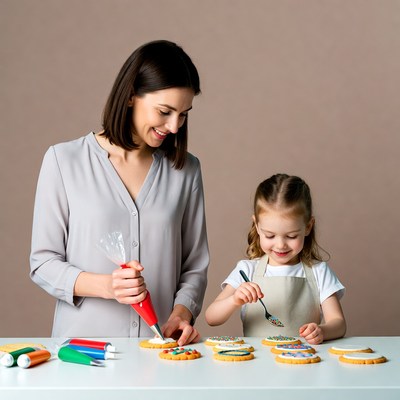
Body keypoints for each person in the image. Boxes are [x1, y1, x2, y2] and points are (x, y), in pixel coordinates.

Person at [30, 40, 209, 346]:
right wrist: (107, 287)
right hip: (83, 353)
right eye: (165, 111)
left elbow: (194, 266)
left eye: (184, 114)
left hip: (159, 354)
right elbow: (43, 263)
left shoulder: (186, 170)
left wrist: (181, 314)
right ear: (130, 97)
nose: (175, 126)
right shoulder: (64, 160)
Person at [205, 174, 346, 344]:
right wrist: (234, 300)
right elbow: (211, 317)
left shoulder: (319, 271)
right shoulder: (247, 270)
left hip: (304, 363)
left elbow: (338, 323)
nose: (280, 245)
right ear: (257, 226)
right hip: (257, 365)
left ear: (308, 227)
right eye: (270, 235)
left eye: (291, 236)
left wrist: (321, 330)